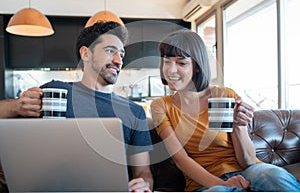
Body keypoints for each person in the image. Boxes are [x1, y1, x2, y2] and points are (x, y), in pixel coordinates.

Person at [0, 21, 153, 192]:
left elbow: (143, 171)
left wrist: (143, 184)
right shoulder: (55, 91)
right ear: (86, 54)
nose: (118, 61)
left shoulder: (134, 111)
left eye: (122, 55)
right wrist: (16, 106)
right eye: (110, 51)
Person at [150, 29, 300, 192]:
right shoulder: (161, 106)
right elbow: (180, 159)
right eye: (167, 61)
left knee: (273, 175)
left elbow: (248, 161)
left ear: (197, 66)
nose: (171, 70)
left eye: (181, 63)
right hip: (203, 183)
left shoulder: (225, 95)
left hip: (248, 171)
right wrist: (223, 184)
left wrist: (239, 126)